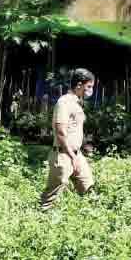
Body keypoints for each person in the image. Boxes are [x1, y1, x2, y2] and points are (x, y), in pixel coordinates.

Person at [40, 68, 96, 210]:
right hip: (63, 155)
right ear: (79, 85)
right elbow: (60, 131)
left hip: (76, 154)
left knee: (89, 188)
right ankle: (42, 218)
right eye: (89, 86)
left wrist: (78, 153)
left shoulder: (77, 103)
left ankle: (90, 217)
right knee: (51, 198)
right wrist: (72, 156)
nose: (90, 90)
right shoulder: (64, 102)